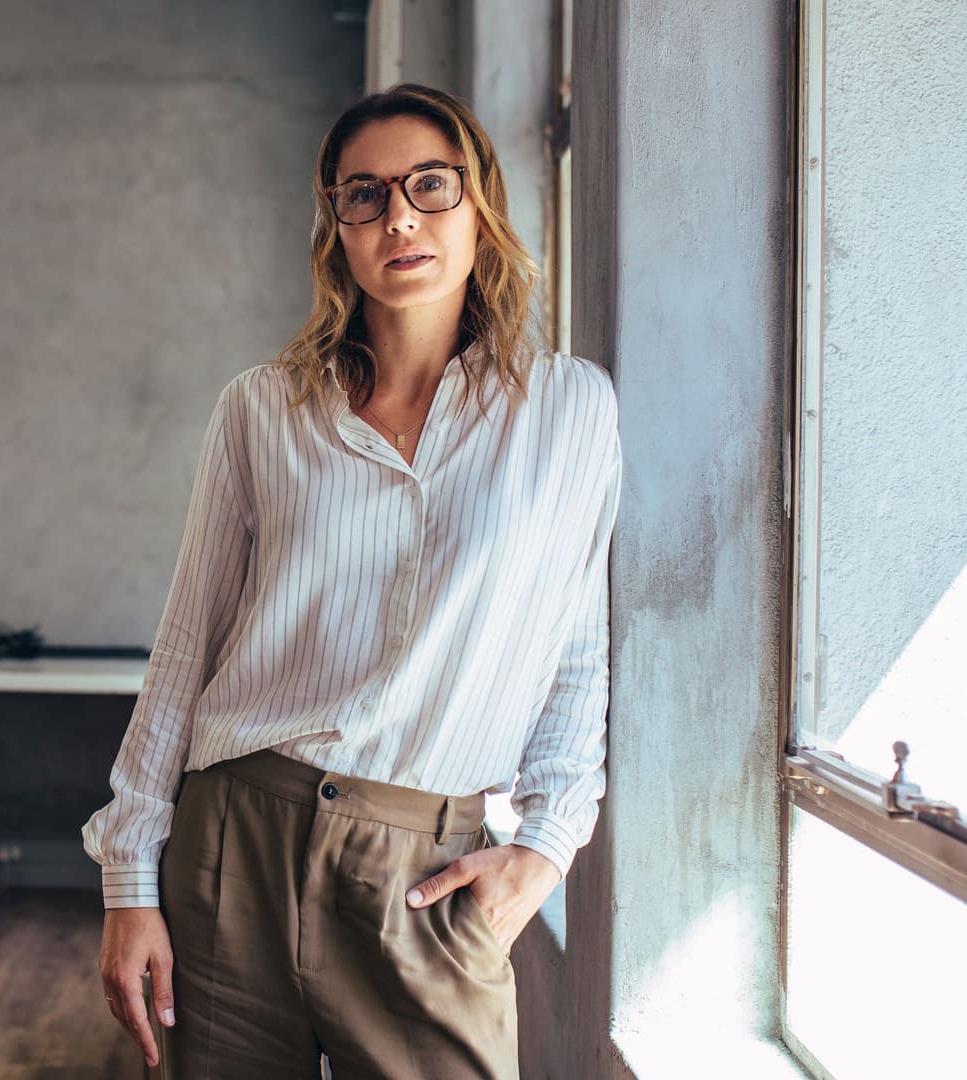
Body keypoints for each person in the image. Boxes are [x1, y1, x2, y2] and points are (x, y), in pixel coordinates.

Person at [81, 83, 623, 1079]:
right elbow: (187, 645)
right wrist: (130, 883)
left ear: (479, 203)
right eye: (364, 196)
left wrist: (546, 849)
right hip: (232, 843)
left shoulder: (567, 410)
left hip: (423, 871)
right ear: (337, 228)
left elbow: (576, 648)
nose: (400, 217)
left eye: (429, 185)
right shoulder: (261, 409)